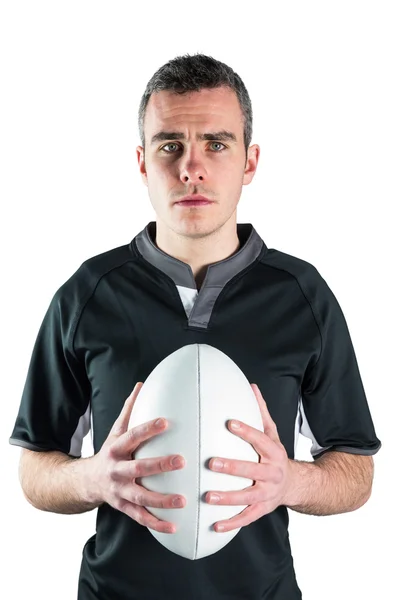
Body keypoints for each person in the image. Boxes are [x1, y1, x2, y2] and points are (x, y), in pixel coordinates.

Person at [10, 53, 381, 600]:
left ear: (250, 162)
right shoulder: (88, 292)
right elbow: (34, 468)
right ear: (141, 162)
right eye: (169, 146)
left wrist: (290, 481)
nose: (191, 168)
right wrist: (93, 479)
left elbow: (356, 469)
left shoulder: (302, 294)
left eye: (216, 143)